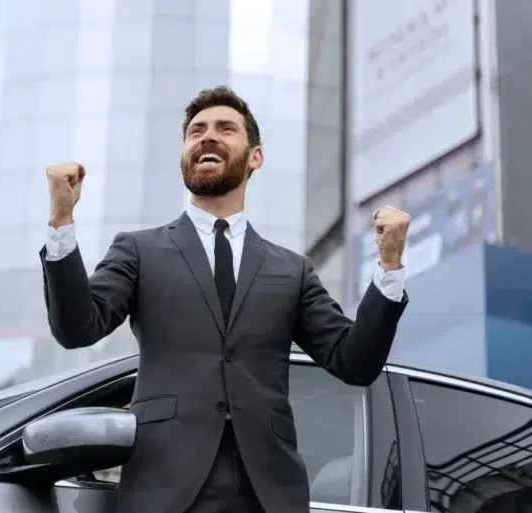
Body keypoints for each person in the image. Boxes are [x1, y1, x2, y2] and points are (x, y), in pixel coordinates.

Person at [40, 86, 410, 513]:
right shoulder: (139, 250)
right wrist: (62, 221)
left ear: (256, 156)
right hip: (165, 487)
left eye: (225, 129)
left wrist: (389, 267)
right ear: (185, 154)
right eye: (196, 131)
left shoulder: (292, 270)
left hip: (268, 493)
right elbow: (77, 328)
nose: (208, 136)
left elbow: (355, 362)